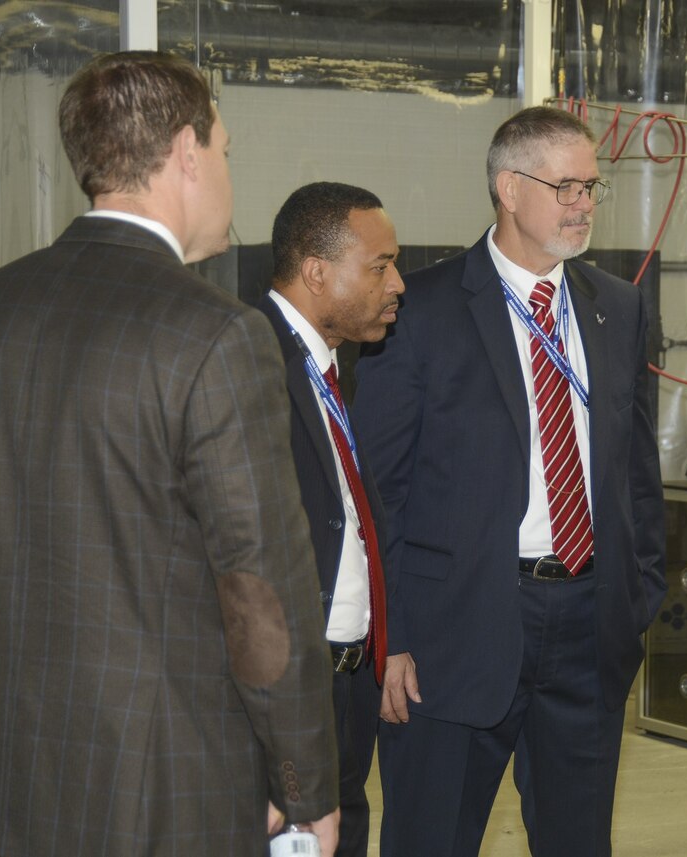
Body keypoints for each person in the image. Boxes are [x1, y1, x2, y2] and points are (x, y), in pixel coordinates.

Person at [0, 52, 340, 855]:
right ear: (186, 152)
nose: (228, 172)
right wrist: (303, 782)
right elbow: (260, 590)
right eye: (228, 149)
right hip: (164, 789)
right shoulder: (216, 334)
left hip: (8, 776)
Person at [353, 105, 667, 857]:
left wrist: (638, 593)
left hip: (590, 624)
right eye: (565, 187)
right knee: (431, 839)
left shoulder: (616, 308)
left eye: (591, 186)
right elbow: (378, 491)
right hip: (453, 637)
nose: (583, 204)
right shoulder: (418, 309)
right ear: (507, 187)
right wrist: (390, 636)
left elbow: (637, 473)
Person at [259, 181, 405, 855]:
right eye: (379, 265)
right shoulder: (250, 361)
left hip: (347, 689)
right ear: (317, 272)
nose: (397, 282)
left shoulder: (326, 367)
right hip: (286, 700)